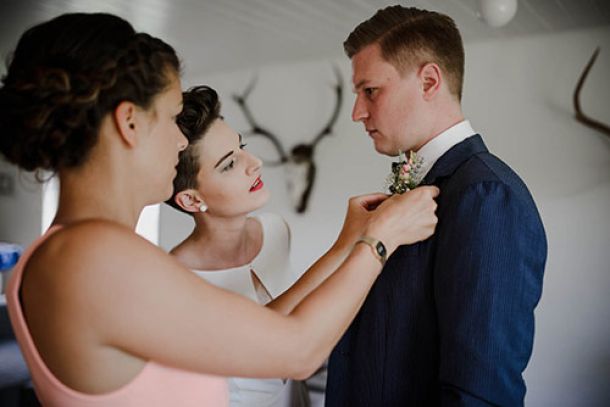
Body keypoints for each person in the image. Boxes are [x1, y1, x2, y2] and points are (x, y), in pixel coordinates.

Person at [0, 12, 439, 407]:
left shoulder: (67, 254)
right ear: (129, 122)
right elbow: (298, 351)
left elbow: (262, 326)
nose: (179, 140)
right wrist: (379, 240)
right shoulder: (96, 259)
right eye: (172, 118)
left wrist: (349, 243)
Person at [326, 5, 547, 407]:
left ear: (429, 80)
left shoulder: (486, 196)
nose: (357, 113)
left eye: (370, 90)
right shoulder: (424, 190)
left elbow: (480, 392)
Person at [166, 85, 308, 406]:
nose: (255, 162)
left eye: (242, 146)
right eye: (230, 163)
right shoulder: (176, 278)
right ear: (191, 199)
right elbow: (264, 335)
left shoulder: (275, 231)